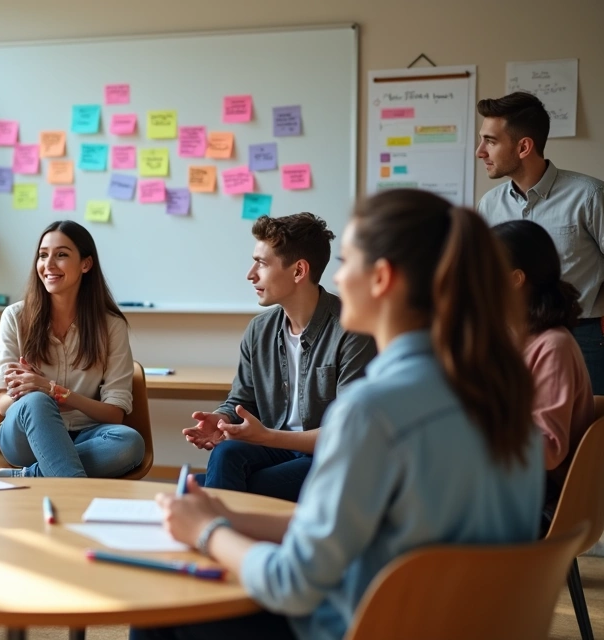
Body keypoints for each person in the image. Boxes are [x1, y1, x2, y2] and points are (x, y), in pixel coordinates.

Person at [135, 189, 545, 640]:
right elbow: (354, 527)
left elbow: (292, 584)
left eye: (347, 262)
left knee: (159, 602)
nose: (337, 276)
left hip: (366, 628)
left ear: (381, 278)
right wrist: (227, 516)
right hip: (464, 625)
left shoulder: (373, 410)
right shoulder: (504, 396)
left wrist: (208, 531)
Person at [184, 213, 375, 501]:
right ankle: (218, 507)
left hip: (330, 455)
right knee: (226, 454)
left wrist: (267, 437)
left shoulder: (352, 330)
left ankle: (211, 504)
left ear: (299, 271)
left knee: (234, 484)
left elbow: (349, 432)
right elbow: (242, 401)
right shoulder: (259, 330)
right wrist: (222, 419)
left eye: (261, 263)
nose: (251, 274)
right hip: (276, 448)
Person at [0, 220, 144, 478]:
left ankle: (31, 476)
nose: (48, 264)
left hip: (86, 434)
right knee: (36, 401)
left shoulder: (111, 326)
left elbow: (114, 414)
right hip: (25, 438)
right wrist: (30, 391)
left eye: (61, 255)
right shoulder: (14, 317)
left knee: (130, 444)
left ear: (86, 264)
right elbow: (3, 404)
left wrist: (55, 391)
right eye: (43, 255)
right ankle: (73, 492)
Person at [476, 91, 604, 393]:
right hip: (509, 339)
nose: (480, 151)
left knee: (586, 421)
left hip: (581, 336)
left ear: (523, 147)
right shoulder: (489, 204)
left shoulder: (590, 196)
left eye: (490, 141)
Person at [494, 219, 594, 523]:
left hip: (537, 498)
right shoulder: (508, 338)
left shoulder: (553, 346)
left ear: (515, 279)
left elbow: (548, 450)